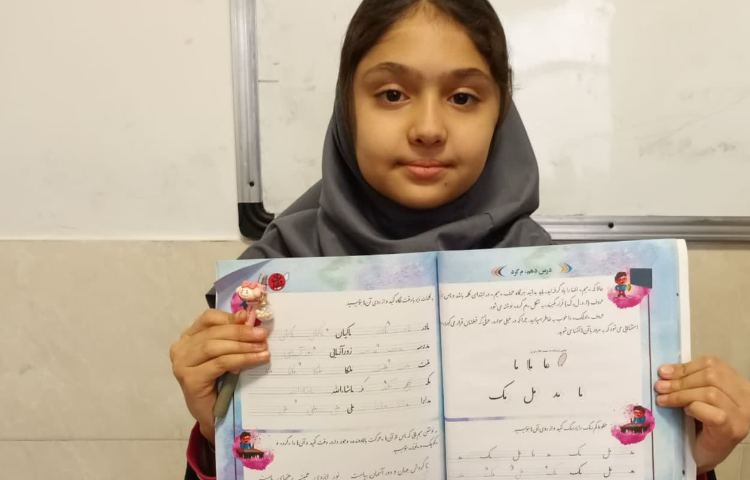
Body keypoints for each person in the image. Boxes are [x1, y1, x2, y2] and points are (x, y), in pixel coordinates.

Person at [168, 1, 750, 479]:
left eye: (464, 97)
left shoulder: (566, 290)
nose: (428, 129)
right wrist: (215, 433)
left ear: (500, 114)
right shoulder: (269, 282)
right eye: (391, 94)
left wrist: (687, 460)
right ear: (347, 107)